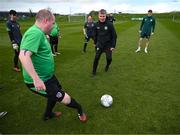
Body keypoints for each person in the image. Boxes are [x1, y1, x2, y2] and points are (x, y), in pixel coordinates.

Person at [19, 9, 87, 122]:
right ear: (46, 21)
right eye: (53, 23)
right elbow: (23, 56)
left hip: (48, 77)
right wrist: (36, 79)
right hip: (40, 80)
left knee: (54, 95)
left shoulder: (40, 33)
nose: (54, 26)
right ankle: (80, 110)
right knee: (64, 98)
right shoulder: (34, 33)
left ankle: (47, 114)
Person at [92, 9, 117, 75]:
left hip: (108, 45)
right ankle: (94, 72)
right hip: (99, 44)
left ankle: (107, 65)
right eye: (101, 16)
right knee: (96, 58)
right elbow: (95, 35)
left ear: (106, 16)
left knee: (109, 58)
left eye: (103, 16)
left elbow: (114, 36)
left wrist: (113, 46)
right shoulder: (96, 25)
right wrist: (95, 43)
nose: (102, 18)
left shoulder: (110, 24)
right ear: (98, 16)